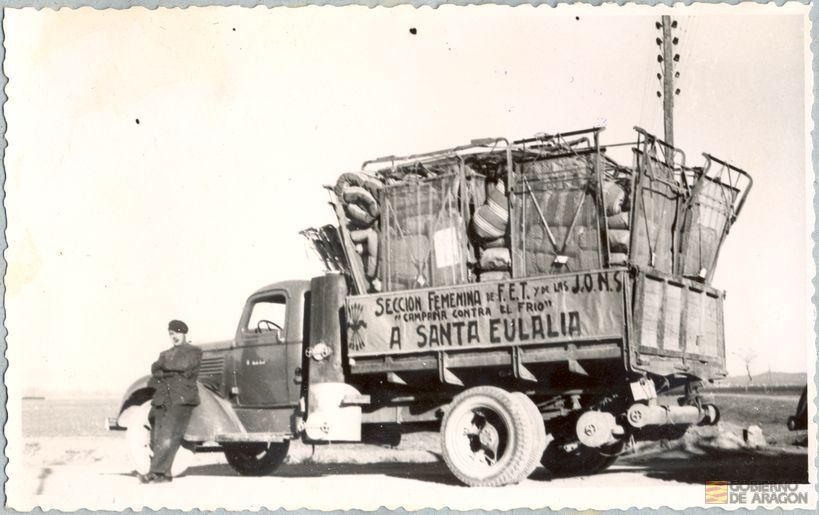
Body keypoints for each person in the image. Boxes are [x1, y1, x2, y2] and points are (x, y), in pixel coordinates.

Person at [140, 319, 203, 484]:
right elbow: (154, 368)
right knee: (158, 434)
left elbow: (182, 365)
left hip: (182, 399)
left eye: (176, 333)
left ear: (184, 333)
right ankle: (164, 474)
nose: (173, 337)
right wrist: (168, 370)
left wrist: (163, 368)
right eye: (171, 334)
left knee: (168, 436)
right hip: (164, 398)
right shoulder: (166, 353)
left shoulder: (194, 351)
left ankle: (155, 472)